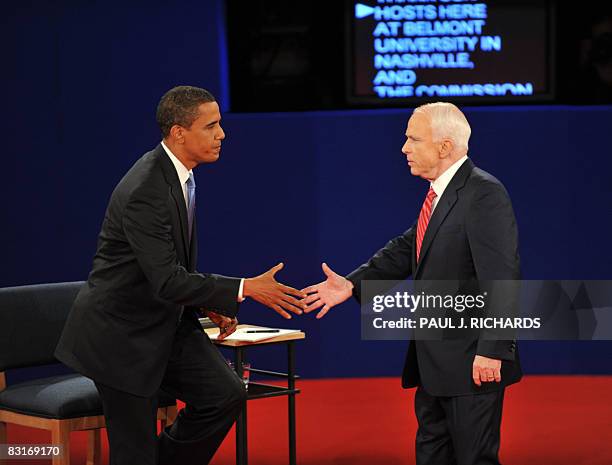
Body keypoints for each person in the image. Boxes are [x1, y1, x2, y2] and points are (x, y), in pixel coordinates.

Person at [55, 85, 306, 465]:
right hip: (122, 338)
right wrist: (244, 288)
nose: (222, 134)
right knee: (134, 454)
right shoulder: (147, 189)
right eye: (212, 126)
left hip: (165, 324)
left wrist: (208, 304)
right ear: (179, 132)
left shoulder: (180, 175)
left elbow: (172, 270)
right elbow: (167, 279)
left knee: (225, 394)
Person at [302, 102, 522, 465]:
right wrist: (353, 285)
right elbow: (408, 247)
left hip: (472, 363)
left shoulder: (483, 193)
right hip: (433, 363)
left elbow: (502, 275)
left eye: (412, 139)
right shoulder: (443, 193)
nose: (404, 148)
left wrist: (493, 349)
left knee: (473, 459)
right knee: (432, 455)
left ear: (444, 147)